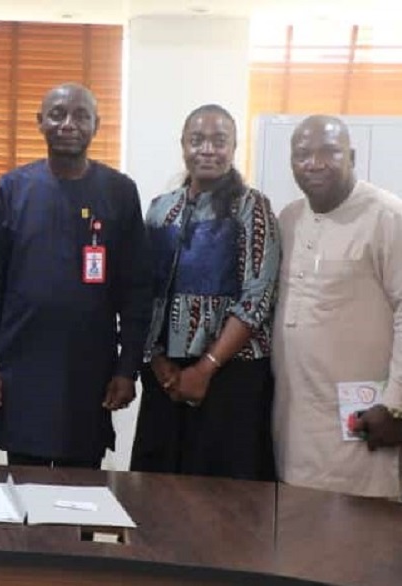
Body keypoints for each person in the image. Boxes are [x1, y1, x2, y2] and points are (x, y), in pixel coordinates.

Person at [0, 83, 151, 468]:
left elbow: (136, 290)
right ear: (40, 122)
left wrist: (127, 368)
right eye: (57, 114)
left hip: (89, 373)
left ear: (97, 125)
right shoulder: (13, 188)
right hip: (21, 368)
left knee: (82, 498)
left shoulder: (119, 192)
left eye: (81, 115)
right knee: (23, 494)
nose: (68, 123)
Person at [273, 115, 402, 498]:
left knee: (360, 540)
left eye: (329, 151)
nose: (315, 163)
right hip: (296, 418)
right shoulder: (290, 218)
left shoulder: (390, 218)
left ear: (352, 156)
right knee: (296, 533)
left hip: (365, 422)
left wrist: (396, 405)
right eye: (302, 154)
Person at [130, 104, 280, 481]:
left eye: (219, 141)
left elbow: (257, 297)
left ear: (233, 147)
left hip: (231, 375)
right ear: (183, 145)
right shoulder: (160, 210)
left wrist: (205, 368)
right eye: (197, 140)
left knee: (221, 500)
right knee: (156, 490)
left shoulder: (252, 207)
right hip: (165, 377)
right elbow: (145, 292)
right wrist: (157, 360)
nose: (208, 150)